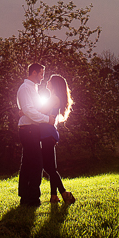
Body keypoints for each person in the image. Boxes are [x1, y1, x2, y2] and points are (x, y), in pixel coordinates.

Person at [16, 63, 54, 206]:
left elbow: (32, 109)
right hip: (28, 130)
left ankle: (26, 197)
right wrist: (46, 119)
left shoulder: (34, 89)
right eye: (41, 74)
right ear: (33, 73)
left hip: (32, 129)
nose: (42, 77)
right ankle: (32, 197)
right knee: (36, 163)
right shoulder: (25, 88)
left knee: (28, 163)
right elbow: (29, 111)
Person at [38, 74, 76, 204]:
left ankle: (64, 193)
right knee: (51, 167)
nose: (47, 82)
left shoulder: (54, 98)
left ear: (54, 84)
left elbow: (40, 111)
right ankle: (54, 196)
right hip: (47, 134)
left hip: (47, 134)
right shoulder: (53, 98)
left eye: (49, 80)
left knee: (46, 166)